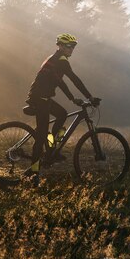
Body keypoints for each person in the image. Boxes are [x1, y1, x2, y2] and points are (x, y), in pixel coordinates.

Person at [23, 33, 95, 176]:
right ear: (60, 46)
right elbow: (74, 79)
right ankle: (33, 172)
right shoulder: (61, 60)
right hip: (39, 98)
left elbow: (59, 82)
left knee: (62, 114)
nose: (71, 49)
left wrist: (72, 98)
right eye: (68, 46)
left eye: (73, 46)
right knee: (41, 136)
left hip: (45, 97)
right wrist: (90, 97)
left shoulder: (56, 59)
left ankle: (51, 149)